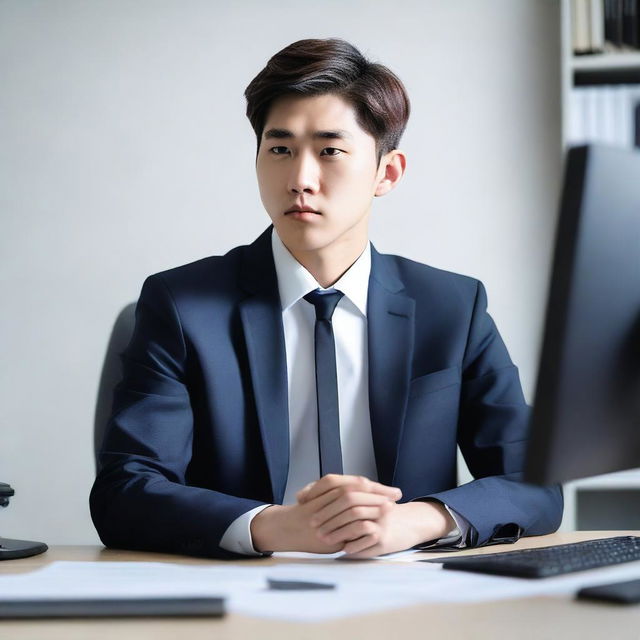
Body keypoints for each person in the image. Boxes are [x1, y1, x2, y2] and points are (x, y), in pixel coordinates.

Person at [90, 38, 563, 560]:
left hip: (407, 594)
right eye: (280, 149)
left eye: (331, 151)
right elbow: (124, 491)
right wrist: (273, 527)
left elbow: (536, 484)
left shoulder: (452, 307)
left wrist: (417, 520)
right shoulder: (182, 305)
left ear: (387, 172)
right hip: (241, 590)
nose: (300, 179)